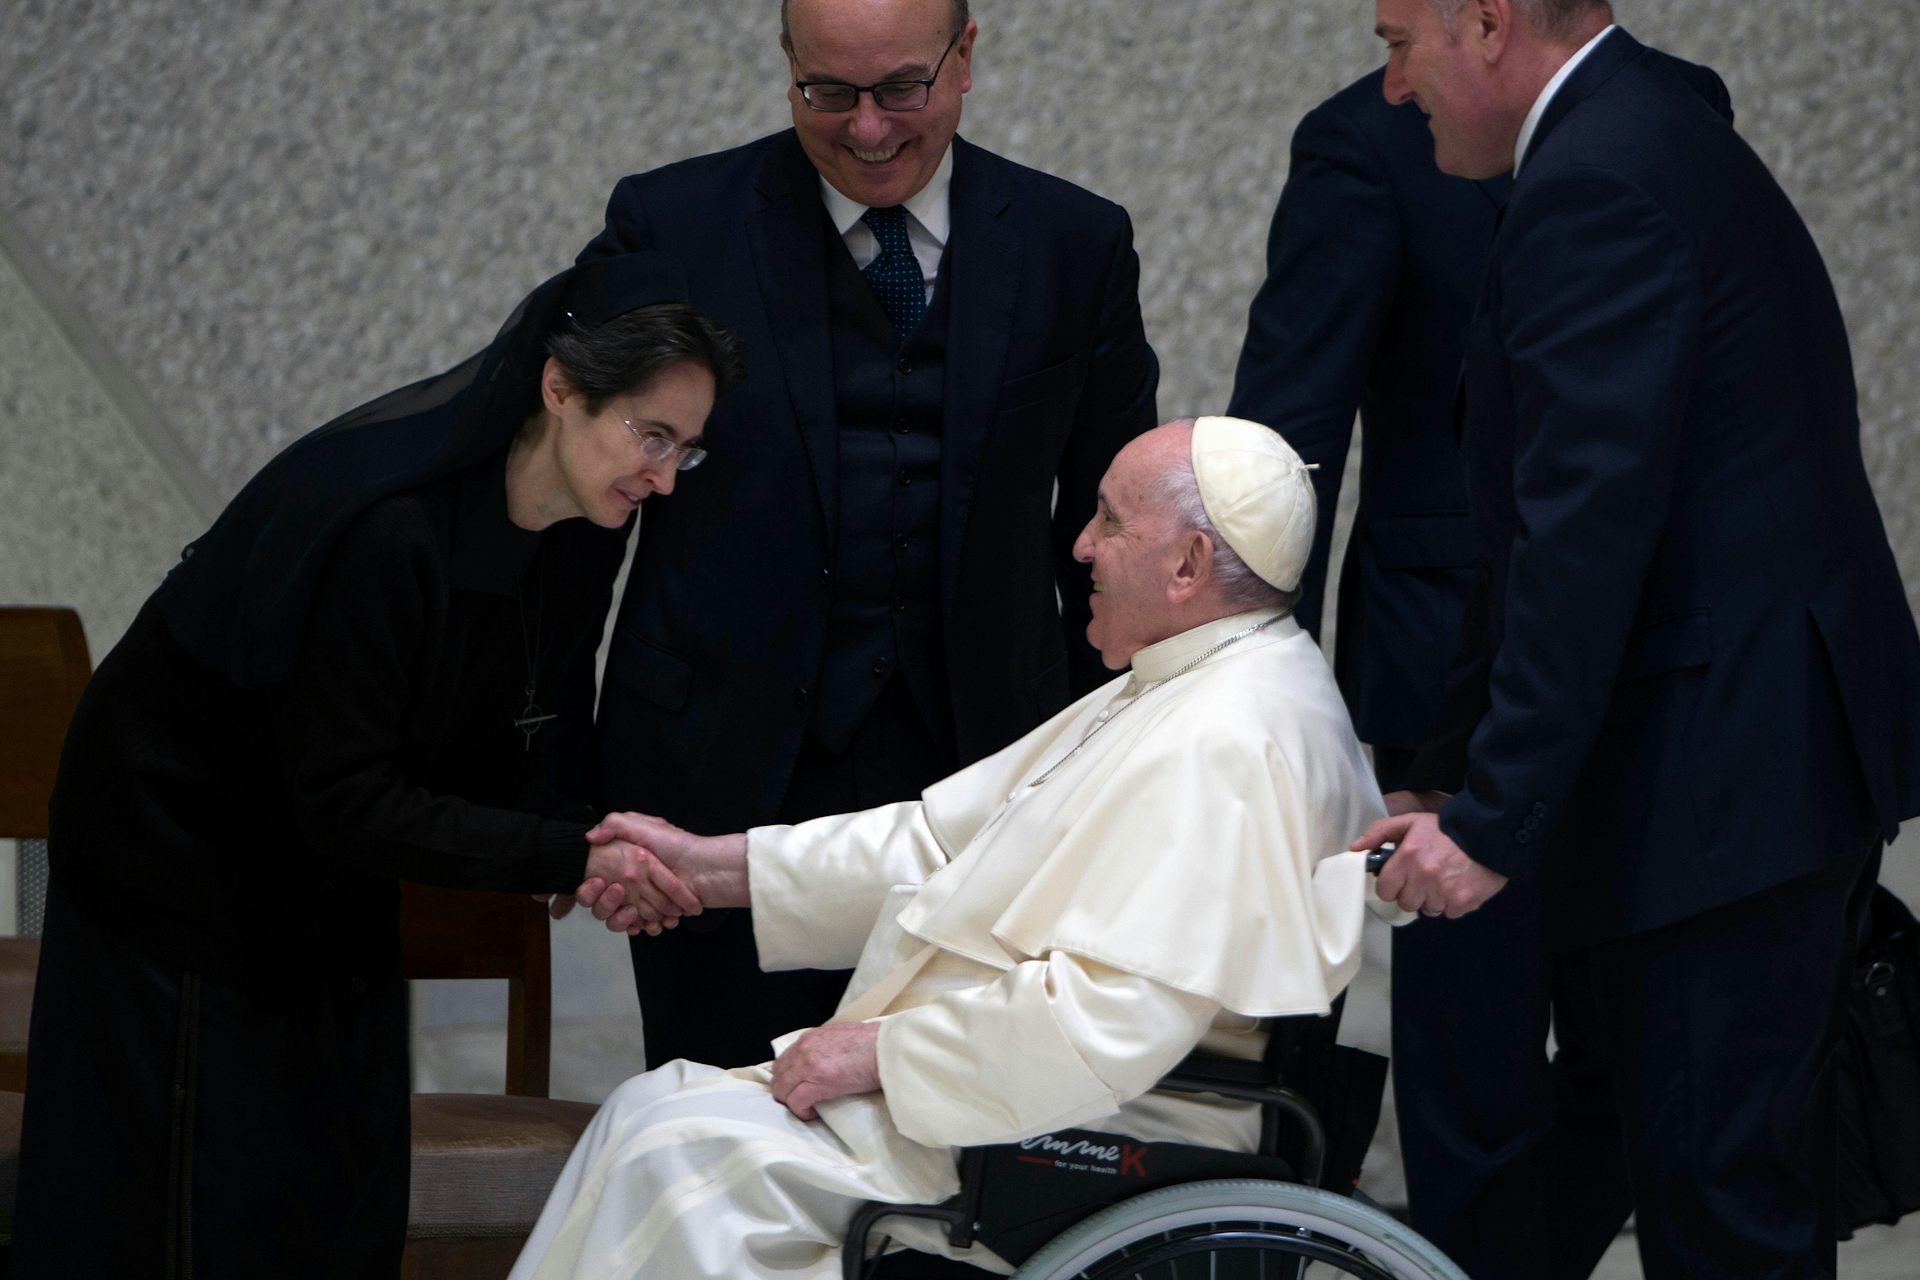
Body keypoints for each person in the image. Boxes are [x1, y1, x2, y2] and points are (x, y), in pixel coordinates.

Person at [508, 417, 1395, 1279]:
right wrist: (710, 868)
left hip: (1083, 1132)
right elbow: (946, 844)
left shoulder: (1226, 736)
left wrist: (877, 1054)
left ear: (1188, 565)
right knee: (653, 1114)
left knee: (674, 1157)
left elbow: (1115, 1014)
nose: (1081, 545)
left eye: (1110, 519)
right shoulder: (1199, 677)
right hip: (1038, 1095)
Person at [11, 252, 741, 1279]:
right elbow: (345, 794)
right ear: (559, 386)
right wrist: (572, 855)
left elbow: (519, 730)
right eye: (650, 435)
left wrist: (596, 835)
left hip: (323, 867)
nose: (663, 476)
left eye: (685, 451)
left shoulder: (588, 527)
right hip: (178, 865)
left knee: (341, 1181)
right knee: (197, 1211)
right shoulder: (389, 530)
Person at [1354, 1, 1920, 1275]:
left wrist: (1491, 818)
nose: (1390, 86)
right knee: (1662, 1151)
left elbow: (1584, 530)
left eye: (1397, 42)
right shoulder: (1645, 125)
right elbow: (1538, 529)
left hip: (1723, 780)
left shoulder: (1598, 177)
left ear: (1487, 20)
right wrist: (1447, 771)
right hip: (1732, 763)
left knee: (1726, 1213)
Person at [573, 0, 1161, 1070]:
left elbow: (1112, 531)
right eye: (829, 94)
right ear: (787, 64)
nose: (870, 129)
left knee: (956, 1118)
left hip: (986, 775)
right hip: (720, 768)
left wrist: (1104, 767)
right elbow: (583, 503)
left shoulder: (1075, 243)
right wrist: (558, 779)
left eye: (901, 89)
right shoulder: (673, 226)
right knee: (725, 1114)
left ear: (965, 58)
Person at [1224, 51, 1726, 1278]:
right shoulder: (1363, 139)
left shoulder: (1674, 105)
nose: (1401, 60)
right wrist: (1246, 672)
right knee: (1475, 1071)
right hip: (1448, 669)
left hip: (1655, 671)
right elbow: (1289, 433)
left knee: (1640, 1056)